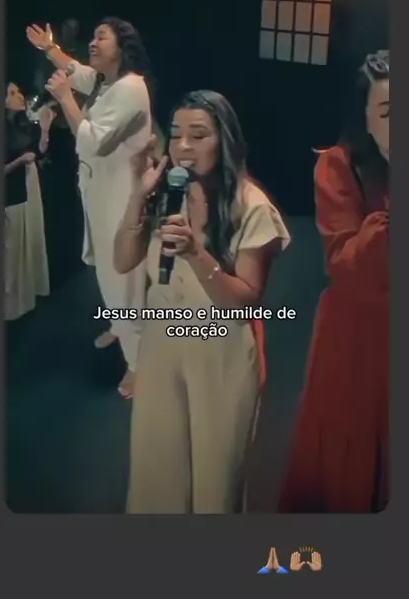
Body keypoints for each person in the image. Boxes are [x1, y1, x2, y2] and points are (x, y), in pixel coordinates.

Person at [113, 90, 291, 513]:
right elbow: (122, 261)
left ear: (224, 140)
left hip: (220, 354)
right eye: (176, 135)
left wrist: (196, 253)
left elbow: (246, 303)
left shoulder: (251, 206)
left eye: (198, 135)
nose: (183, 147)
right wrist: (137, 196)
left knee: (216, 484)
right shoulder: (164, 195)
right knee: (157, 478)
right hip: (161, 349)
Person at [277, 50, 390, 513]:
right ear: (365, 117)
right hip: (359, 334)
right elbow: (345, 264)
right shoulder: (338, 165)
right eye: (388, 112)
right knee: (352, 458)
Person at [26, 17, 154, 399]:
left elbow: (92, 142)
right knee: (107, 274)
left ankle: (139, 362)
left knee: (122, 278)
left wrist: (65, 97)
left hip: (121, 199)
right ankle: (121, 326)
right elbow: (78, 70)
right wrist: (50, 49)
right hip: (102, 195)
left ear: (123, 47)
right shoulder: (106, 82)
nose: (93, 43)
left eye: (102, 37)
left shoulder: (130, 88)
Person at [5, 82, 53, 320]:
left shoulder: (20, 125)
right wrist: (19, 162)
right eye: (12, 93)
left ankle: (23, 300)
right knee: (10, 252)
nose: (20, 96)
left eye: (18, 91)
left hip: (28, 190)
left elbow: (40, 150)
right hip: (10, 196)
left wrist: (45, 130)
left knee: (25, 245)